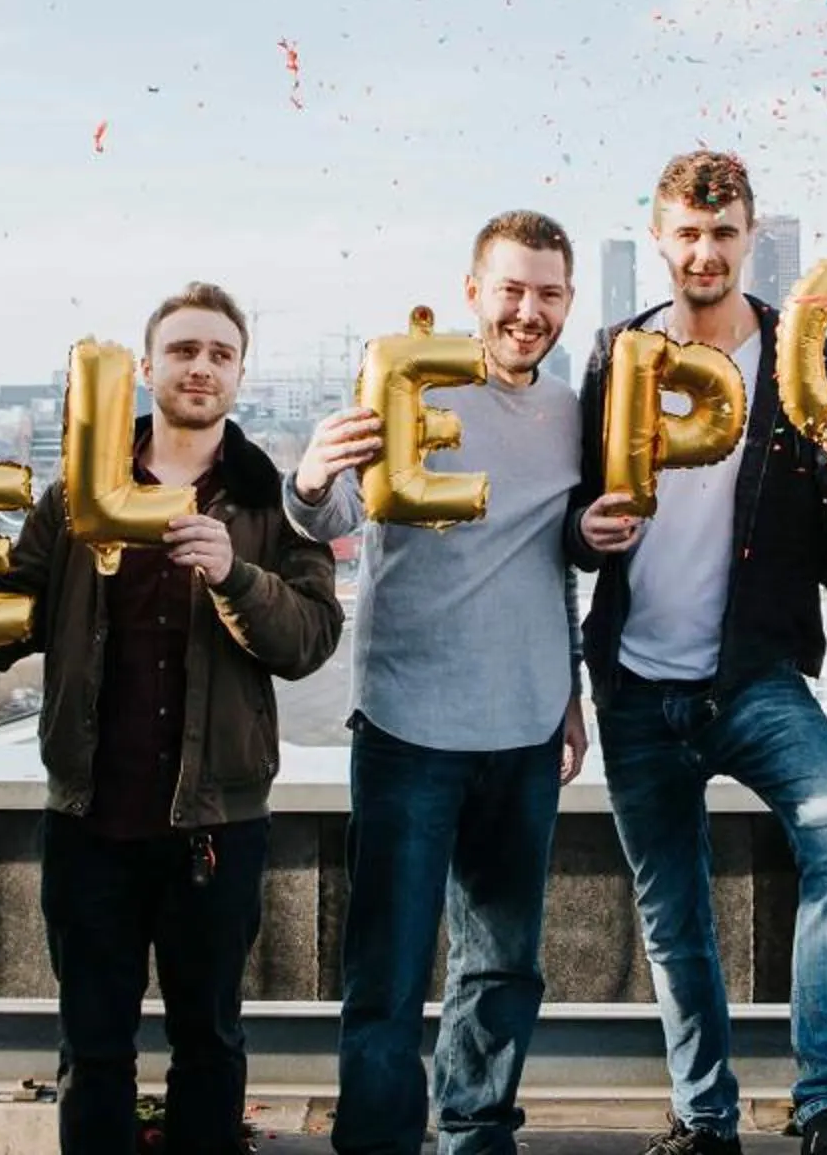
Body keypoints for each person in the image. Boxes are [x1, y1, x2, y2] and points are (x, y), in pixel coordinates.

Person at [0, 283, 342, 1155]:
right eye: (184, 350)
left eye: (220, 354)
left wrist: (236, 576)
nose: (201, 367)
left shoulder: (270, 499)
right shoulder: (83, 486)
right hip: (90, 819)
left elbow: (310, 638)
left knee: (211, 1044)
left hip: (214, 827)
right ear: (147, 369)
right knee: (93, 1051)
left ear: (241, 376)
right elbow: (21, 609)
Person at [570, 151, 827, 1155]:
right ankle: (702, 1119)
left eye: (723, 233)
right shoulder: (612, 354)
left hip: (753, 672)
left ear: (749, 236)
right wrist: (582, 529)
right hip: (633, 680)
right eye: (687, 232)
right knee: (672, 908)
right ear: (661, 236)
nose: (705, 251)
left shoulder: (805, 355)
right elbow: (562, 523)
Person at [288, 211, 590, 1155]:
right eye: (511, 290)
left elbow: (559, 566)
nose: (527, 311)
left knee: (503, 967)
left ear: (570, 303)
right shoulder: (412, 381)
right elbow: (328, 512)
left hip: (528, 725)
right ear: (473, 293)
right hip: (410, 724)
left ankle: (477, 1132)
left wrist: (571, 697)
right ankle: (378, 1141)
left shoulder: (576, 414)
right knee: (386, 969)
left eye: (547, 294)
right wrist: (309, 475)